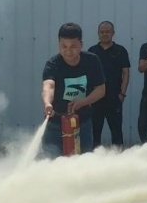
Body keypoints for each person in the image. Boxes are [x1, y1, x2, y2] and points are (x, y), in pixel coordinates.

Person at [41, 23, 106, 157]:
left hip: (83, 122)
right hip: (55, 123)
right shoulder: (53, 64)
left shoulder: (91, 61)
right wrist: (47, 103)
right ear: (58, 44)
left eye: (73, 47)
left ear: (81, 44)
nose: (68, 51)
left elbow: (101, 89)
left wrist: (83, 102)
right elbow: (48, 86)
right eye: (64, 46)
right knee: (52, 161)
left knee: (83, 160)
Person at [88, 21, 131, 148]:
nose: (105, 34)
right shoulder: (92, 51)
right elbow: (87, 74)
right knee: (95, 132)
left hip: (114, 98)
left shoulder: (120, 51)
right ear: (98, 34)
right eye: (102, 32)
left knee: (116, 132)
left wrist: (122, 94)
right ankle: (94, 157)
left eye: (107, 32)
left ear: (113, 33)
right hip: (96, 99)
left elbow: (126, 73)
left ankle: (118, 157)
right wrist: (88, 97)